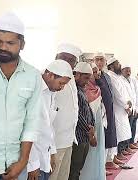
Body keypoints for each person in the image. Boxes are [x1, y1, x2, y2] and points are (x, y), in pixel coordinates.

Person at [0, 12, 42, 180]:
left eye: (10, 43)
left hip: (15, 166)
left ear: (22, 44)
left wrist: (23, 161)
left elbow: (31, 122)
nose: (3, 47)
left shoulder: (32, 75)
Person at [27, 60, 73, 180]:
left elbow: (48, 126)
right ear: (50, 75)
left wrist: (52, 153)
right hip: (31, 160)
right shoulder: (33, 90)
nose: (62, 88)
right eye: (61, 83)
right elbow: (26, 130)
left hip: (44, 156)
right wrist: (32, 164)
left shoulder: (51, 92)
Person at [50, 43, 82, 180]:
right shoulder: (50, 77)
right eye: (64, 58)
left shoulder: (70, 79)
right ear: (56, 57)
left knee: (63, 176)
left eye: (71, 60)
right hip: (54, 142)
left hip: (68, 139)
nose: (67, 63)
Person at [69, 62, 96, 180]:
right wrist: (89, 130)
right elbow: (77, 114)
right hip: (78, 137)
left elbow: (88, 110)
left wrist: (92, 127)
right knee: (74, 170)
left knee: (78, 169)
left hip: (85, 136)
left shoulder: (81, 89)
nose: (87, 81)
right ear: (77, 74)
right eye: (85, 78)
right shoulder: (73, 90)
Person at [80, 57, 107, 180]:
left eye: (97, 72)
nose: (96, 75)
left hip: (98, 128)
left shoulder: (97, 89)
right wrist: (91, 134)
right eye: (93, 72)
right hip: (88, 132)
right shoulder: (85, 91)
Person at [93, 53, 118, 173]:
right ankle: (99, 169)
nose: (99, 62)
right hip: (99, 112)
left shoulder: (106, 76)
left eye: (101, 60)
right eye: (97, 60)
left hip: (109, 110)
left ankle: (103, 166)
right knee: (100, 141)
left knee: (108, 138)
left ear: (105, 62)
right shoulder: (92, 75)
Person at [106, 58, 132, 163]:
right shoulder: (111, 76)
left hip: (122, 109)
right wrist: (126, 106)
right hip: (117, 109)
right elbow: (118, 94)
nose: (119, 65)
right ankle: (111, 158)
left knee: (119, 134)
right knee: (115, 135)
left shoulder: (117, 77)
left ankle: (114, 156)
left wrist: (128, 103)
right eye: (118, 64)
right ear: (112, 66)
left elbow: (124, 92)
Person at [121, 64, 138, 151]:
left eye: (129, 71)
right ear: (122, 71)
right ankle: (124, 148)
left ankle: (128, 145)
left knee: (130, 127)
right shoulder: (121, 80)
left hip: (131, 107)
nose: (128, 73)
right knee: (125, 129)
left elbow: (134, 95)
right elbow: (123, 95)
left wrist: (135, 107)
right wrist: (127, 106)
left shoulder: (131, 81)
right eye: (126, 71)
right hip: (125, 108)